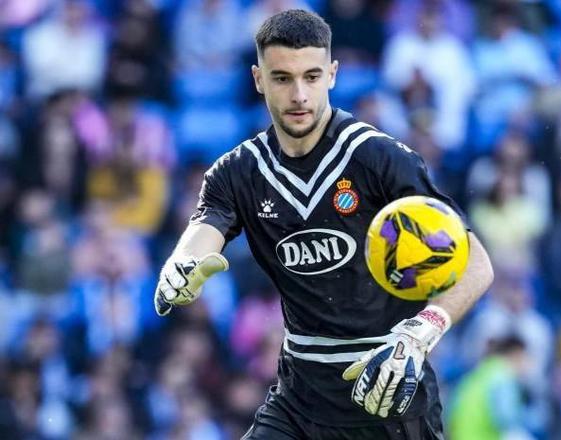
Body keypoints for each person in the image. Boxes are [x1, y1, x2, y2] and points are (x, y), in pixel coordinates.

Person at [154, 9, 493, 440]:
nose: (299, 94)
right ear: (258, 79)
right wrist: (180, 264)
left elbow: (477, 263)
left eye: (311, 77)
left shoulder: (379, 158)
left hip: (387, 393)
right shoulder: (237, 172)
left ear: (332, 74)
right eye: (282, 78)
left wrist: (421, 332)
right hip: (299, 400)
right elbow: (203, 231)